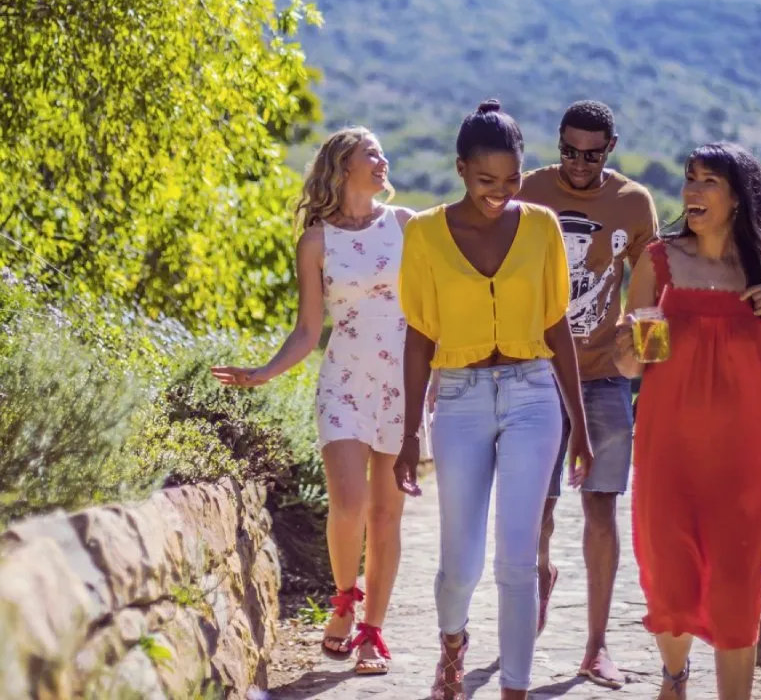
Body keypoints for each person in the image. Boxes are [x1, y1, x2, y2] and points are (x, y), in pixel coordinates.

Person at [614, 143, 761, 700]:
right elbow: (632, 362)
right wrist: (632, 338)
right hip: (668, 454)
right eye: (690, 179)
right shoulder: (658, 261)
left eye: (708, 181)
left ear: (738, 197)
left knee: (737, 595)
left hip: (744, 463)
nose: (692, 191)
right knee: (672, 586)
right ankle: (675, 674)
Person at [393, 99, 594, 700]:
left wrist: (579, 424)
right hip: (458, 398)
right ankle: (452, 644)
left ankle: (515, 688)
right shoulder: (425, 234)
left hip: (534, 395)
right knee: (460, 563)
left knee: (517, 559)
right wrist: (408, 436)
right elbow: (418, 337)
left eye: (511, 180)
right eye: (486, 181)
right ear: (460, 169)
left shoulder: (540, 226)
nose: (499, 193)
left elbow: (556, 326)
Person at [213, 127, 413, 676]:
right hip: (344, 379)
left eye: (381, 152)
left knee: (387, 513)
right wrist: (264, 372)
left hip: (403, 382)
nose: (382, 160)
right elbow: (306, 331)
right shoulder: (317, 241)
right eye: (369, 154)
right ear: (342, 167)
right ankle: (344, 599)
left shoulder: (407, 226)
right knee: (348, 504)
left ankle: (373, 631)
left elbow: (432, 310)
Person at [517, 100, 658, 689]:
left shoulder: (633, 203)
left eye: (591, 153)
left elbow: (647, 298)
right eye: (568, 150)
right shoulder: (528, 191)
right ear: (559, 143)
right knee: (538, 509)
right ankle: (541, 577)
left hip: (602, 375)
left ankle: (596, 646)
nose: (578, 163)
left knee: (601, 506)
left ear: (611, 148)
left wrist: (649, 368)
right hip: (535, 373)